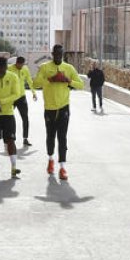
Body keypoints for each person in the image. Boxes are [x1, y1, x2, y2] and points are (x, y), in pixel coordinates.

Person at [31, 45, 83, 180]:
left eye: (61, 54)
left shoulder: (69, 68)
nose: (58, 56)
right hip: (49, 109)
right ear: (52, 54)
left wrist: (68, 80)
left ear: (63, 54)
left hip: (64, 108)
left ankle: (63, 168)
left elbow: (81, 85)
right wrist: (49, 79)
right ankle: (50, 159)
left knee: (62, 138)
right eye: (56, 54)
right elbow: (35, 83)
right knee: (50, 136)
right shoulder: (44, 67)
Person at [12, 56, 38, 147]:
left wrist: (34, 93)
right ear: (16, 63)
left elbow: (29, 81)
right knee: (10, 118)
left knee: (25, 118)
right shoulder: (9, 69)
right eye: (19, 65)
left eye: (22, 65)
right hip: (11, 97)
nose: (21, 66)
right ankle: (11, 137)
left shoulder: (25, 69)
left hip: (21, 97)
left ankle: (25, 138)